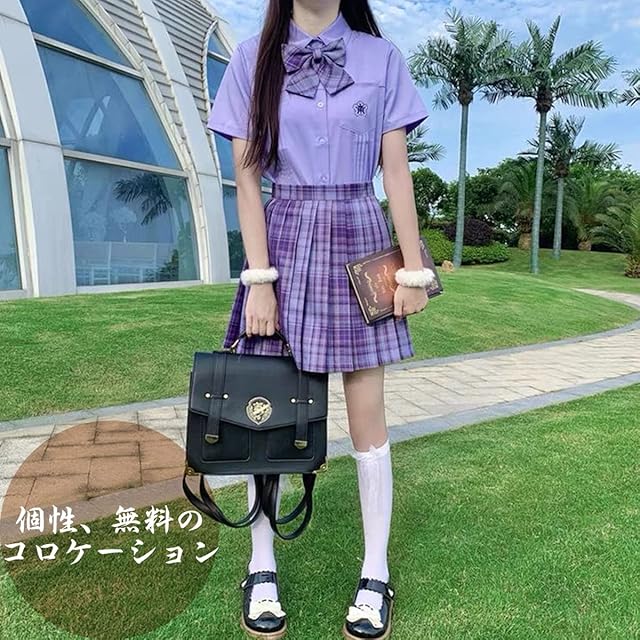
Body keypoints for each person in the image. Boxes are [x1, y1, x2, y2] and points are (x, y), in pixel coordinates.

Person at [207, 1, 433, 638]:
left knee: (368, 416)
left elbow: (396, 173)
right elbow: (247, 182)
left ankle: (375, 573)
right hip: (284, 242)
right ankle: (261, 567)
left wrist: (412, 270)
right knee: (267, 412)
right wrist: (259, 280)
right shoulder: (251, 60)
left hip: (360, 236)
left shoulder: (380, 58)